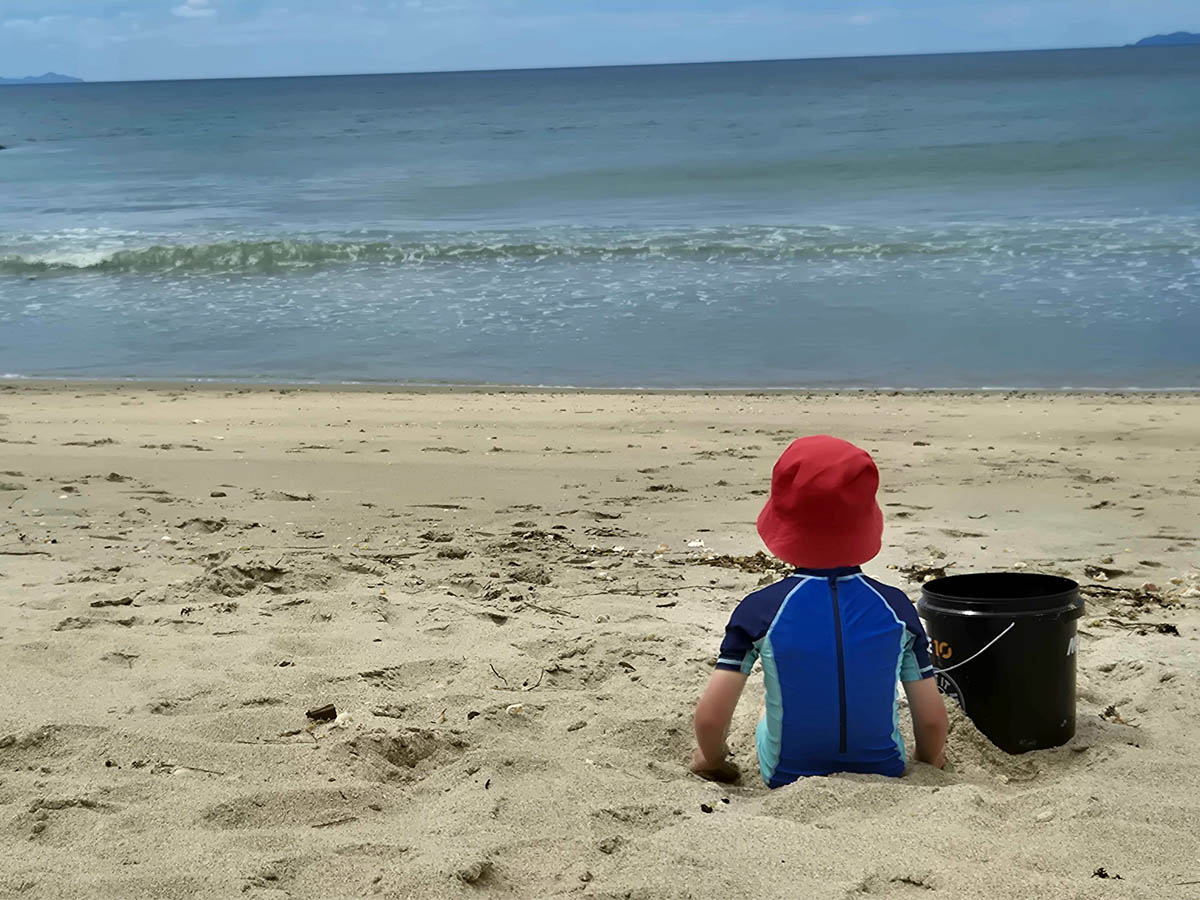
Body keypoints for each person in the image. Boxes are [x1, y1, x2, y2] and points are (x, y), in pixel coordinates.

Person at [691, 435, 947, 786]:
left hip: (786, 774)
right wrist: (929, 761)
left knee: (770, 711)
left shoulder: (759, 611)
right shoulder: (897, 608)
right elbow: (932, 721)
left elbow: (709, 720)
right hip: (885, 766)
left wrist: (711, 759)